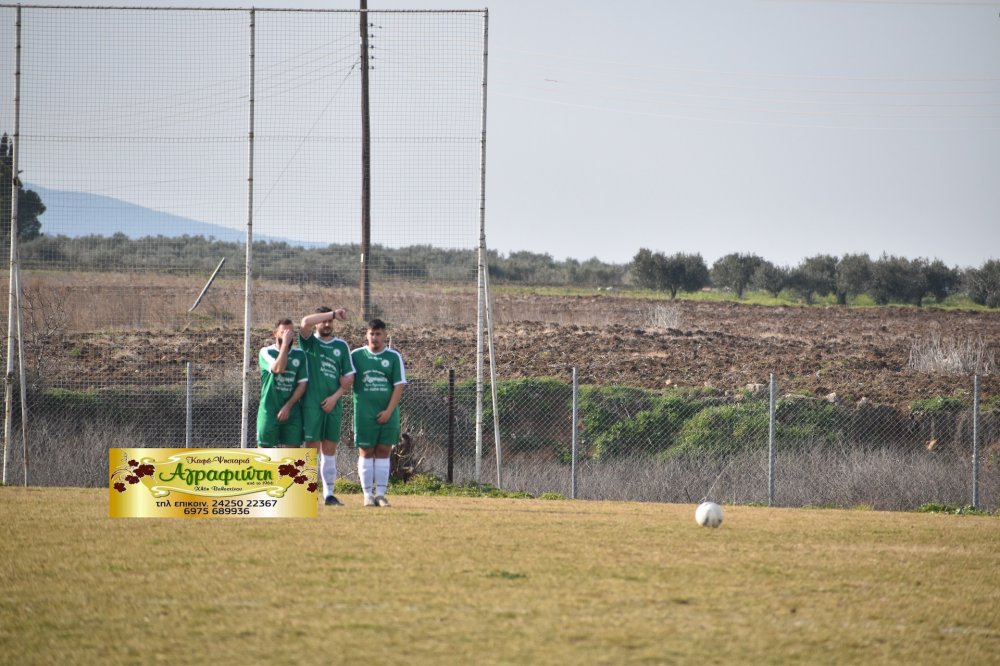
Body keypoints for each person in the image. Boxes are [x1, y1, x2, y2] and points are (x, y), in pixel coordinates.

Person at [299, 306, 355, 506]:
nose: (328, 324)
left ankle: (329, 495)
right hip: (311, 404)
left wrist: (335, 397)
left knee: (329, 449)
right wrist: (332, 313)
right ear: (319, 322)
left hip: (334, 404)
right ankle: (307, 493)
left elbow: (349, 377)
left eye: (330, 321)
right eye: (324, 321)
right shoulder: (309, 343)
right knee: (311, 450)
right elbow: (305, 322)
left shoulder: (341, 346)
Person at [351, 318, 406, 507]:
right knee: (366, 452)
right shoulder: (356, 356)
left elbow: (399, 386)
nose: (375, 337)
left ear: (385, 335)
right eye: (372, 334)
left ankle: (381, 495)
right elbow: (345, 379)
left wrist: (389, 411)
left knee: (383, 452)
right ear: (366, 335)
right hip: (364, 414)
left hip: (388, 413)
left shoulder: (393, 357)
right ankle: (367, 495)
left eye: (378, 334)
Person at [257, 318, 309, 448]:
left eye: (290, 332)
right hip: (269, 410)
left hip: (292, 411)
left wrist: (288, 406)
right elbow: (278, 369)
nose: (288, 335)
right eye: (283, 332)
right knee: (264, 451)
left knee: (294, 456)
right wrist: (285, 345)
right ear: (275, 333)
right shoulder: (266, 352)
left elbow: (302, 384)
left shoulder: (300, 354)